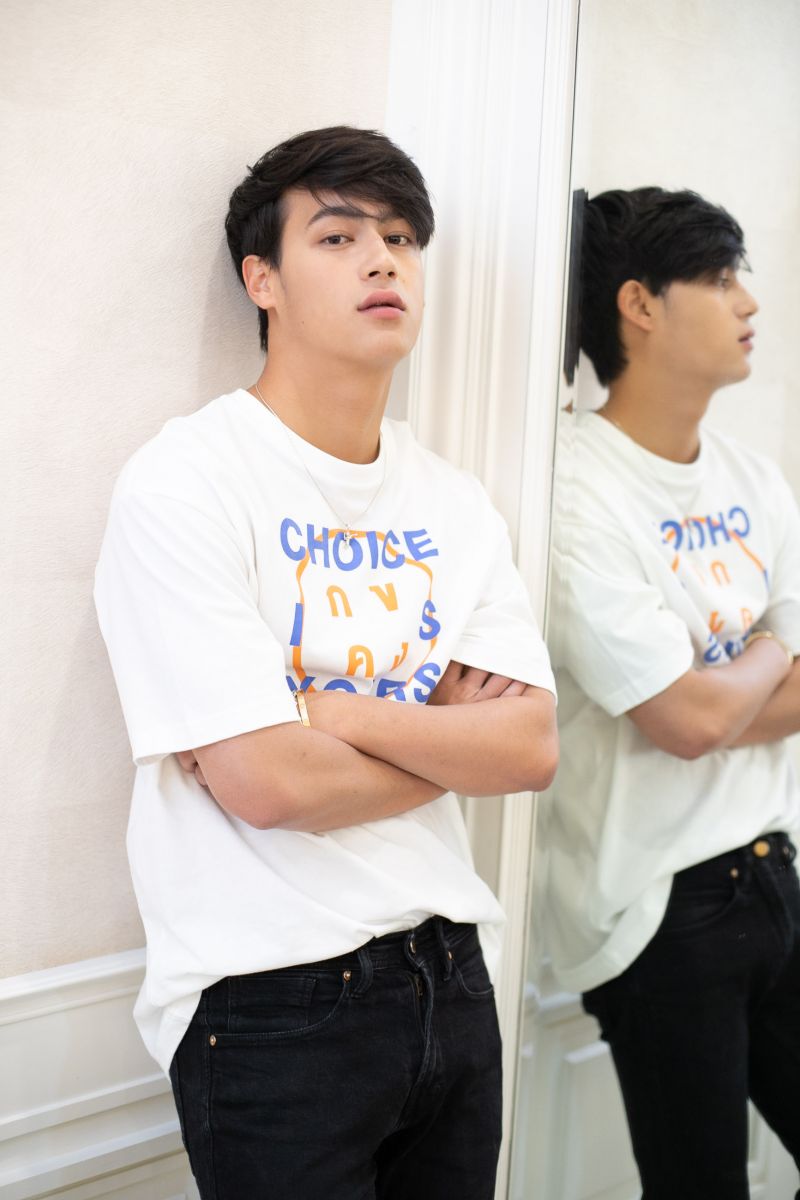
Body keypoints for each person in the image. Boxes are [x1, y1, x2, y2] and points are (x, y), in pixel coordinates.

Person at [94, 125, 558, 1200]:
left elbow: (530, 748)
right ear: (261, 279)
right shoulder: (186, 481)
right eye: (339, 236)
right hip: (272, 1002)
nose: (382, 259)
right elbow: (266, 784)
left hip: (451, 971)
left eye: (400, 237)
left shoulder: (453, 503)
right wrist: (448, 738)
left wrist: (325, 710)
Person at [546, 186, 800, 1198]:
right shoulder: (574, 490)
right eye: (720, 277)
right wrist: (770, 652)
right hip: (657, 905)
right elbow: (684, 722)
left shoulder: (751, 477)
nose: (748, 300)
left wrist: (718, 684)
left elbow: (697, 705)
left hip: (771, 870)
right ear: (639, 304)